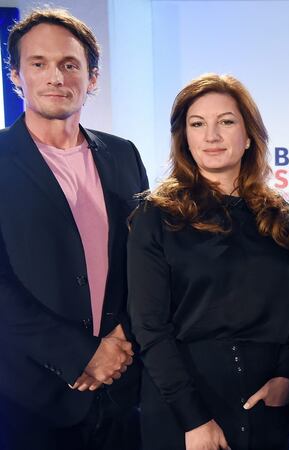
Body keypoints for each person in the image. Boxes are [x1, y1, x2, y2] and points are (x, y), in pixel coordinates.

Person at [127, 74, 289, 450]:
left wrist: (286, 376)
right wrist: (194, 420)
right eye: (197, 124)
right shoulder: (156, 216)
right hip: (187, 412)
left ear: (248, 136)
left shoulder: (276, 214)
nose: (211, 136)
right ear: (184, 138)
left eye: (225, 122)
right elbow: (149, 327)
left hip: (266, 409)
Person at [0, 8, 147, 450]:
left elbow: (143, 259)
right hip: (30, 398)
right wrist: (80, 353)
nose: (55, 77)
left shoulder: (123, 155)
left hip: (123, 390)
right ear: (15, 77)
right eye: (38, 64)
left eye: (69, 64)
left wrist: (123, 337)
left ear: (92, 77)